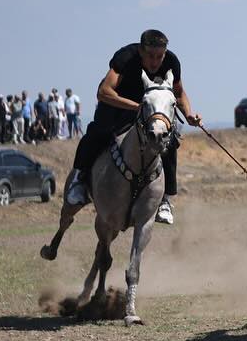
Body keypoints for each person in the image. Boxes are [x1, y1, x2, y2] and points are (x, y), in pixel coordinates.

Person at [60, 28, 200, 226]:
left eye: (159, 56)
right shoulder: (126, 57)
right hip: (116, 104)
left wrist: (189, 114)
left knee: (170, 139)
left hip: (149, 108)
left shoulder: (171, 62)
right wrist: (136, 107)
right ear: (141, 51)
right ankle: (79, 181)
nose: (155, 62)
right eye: (150, 56)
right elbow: (104, 91)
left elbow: (179, 92)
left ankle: (166, 200)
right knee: (98, 132)